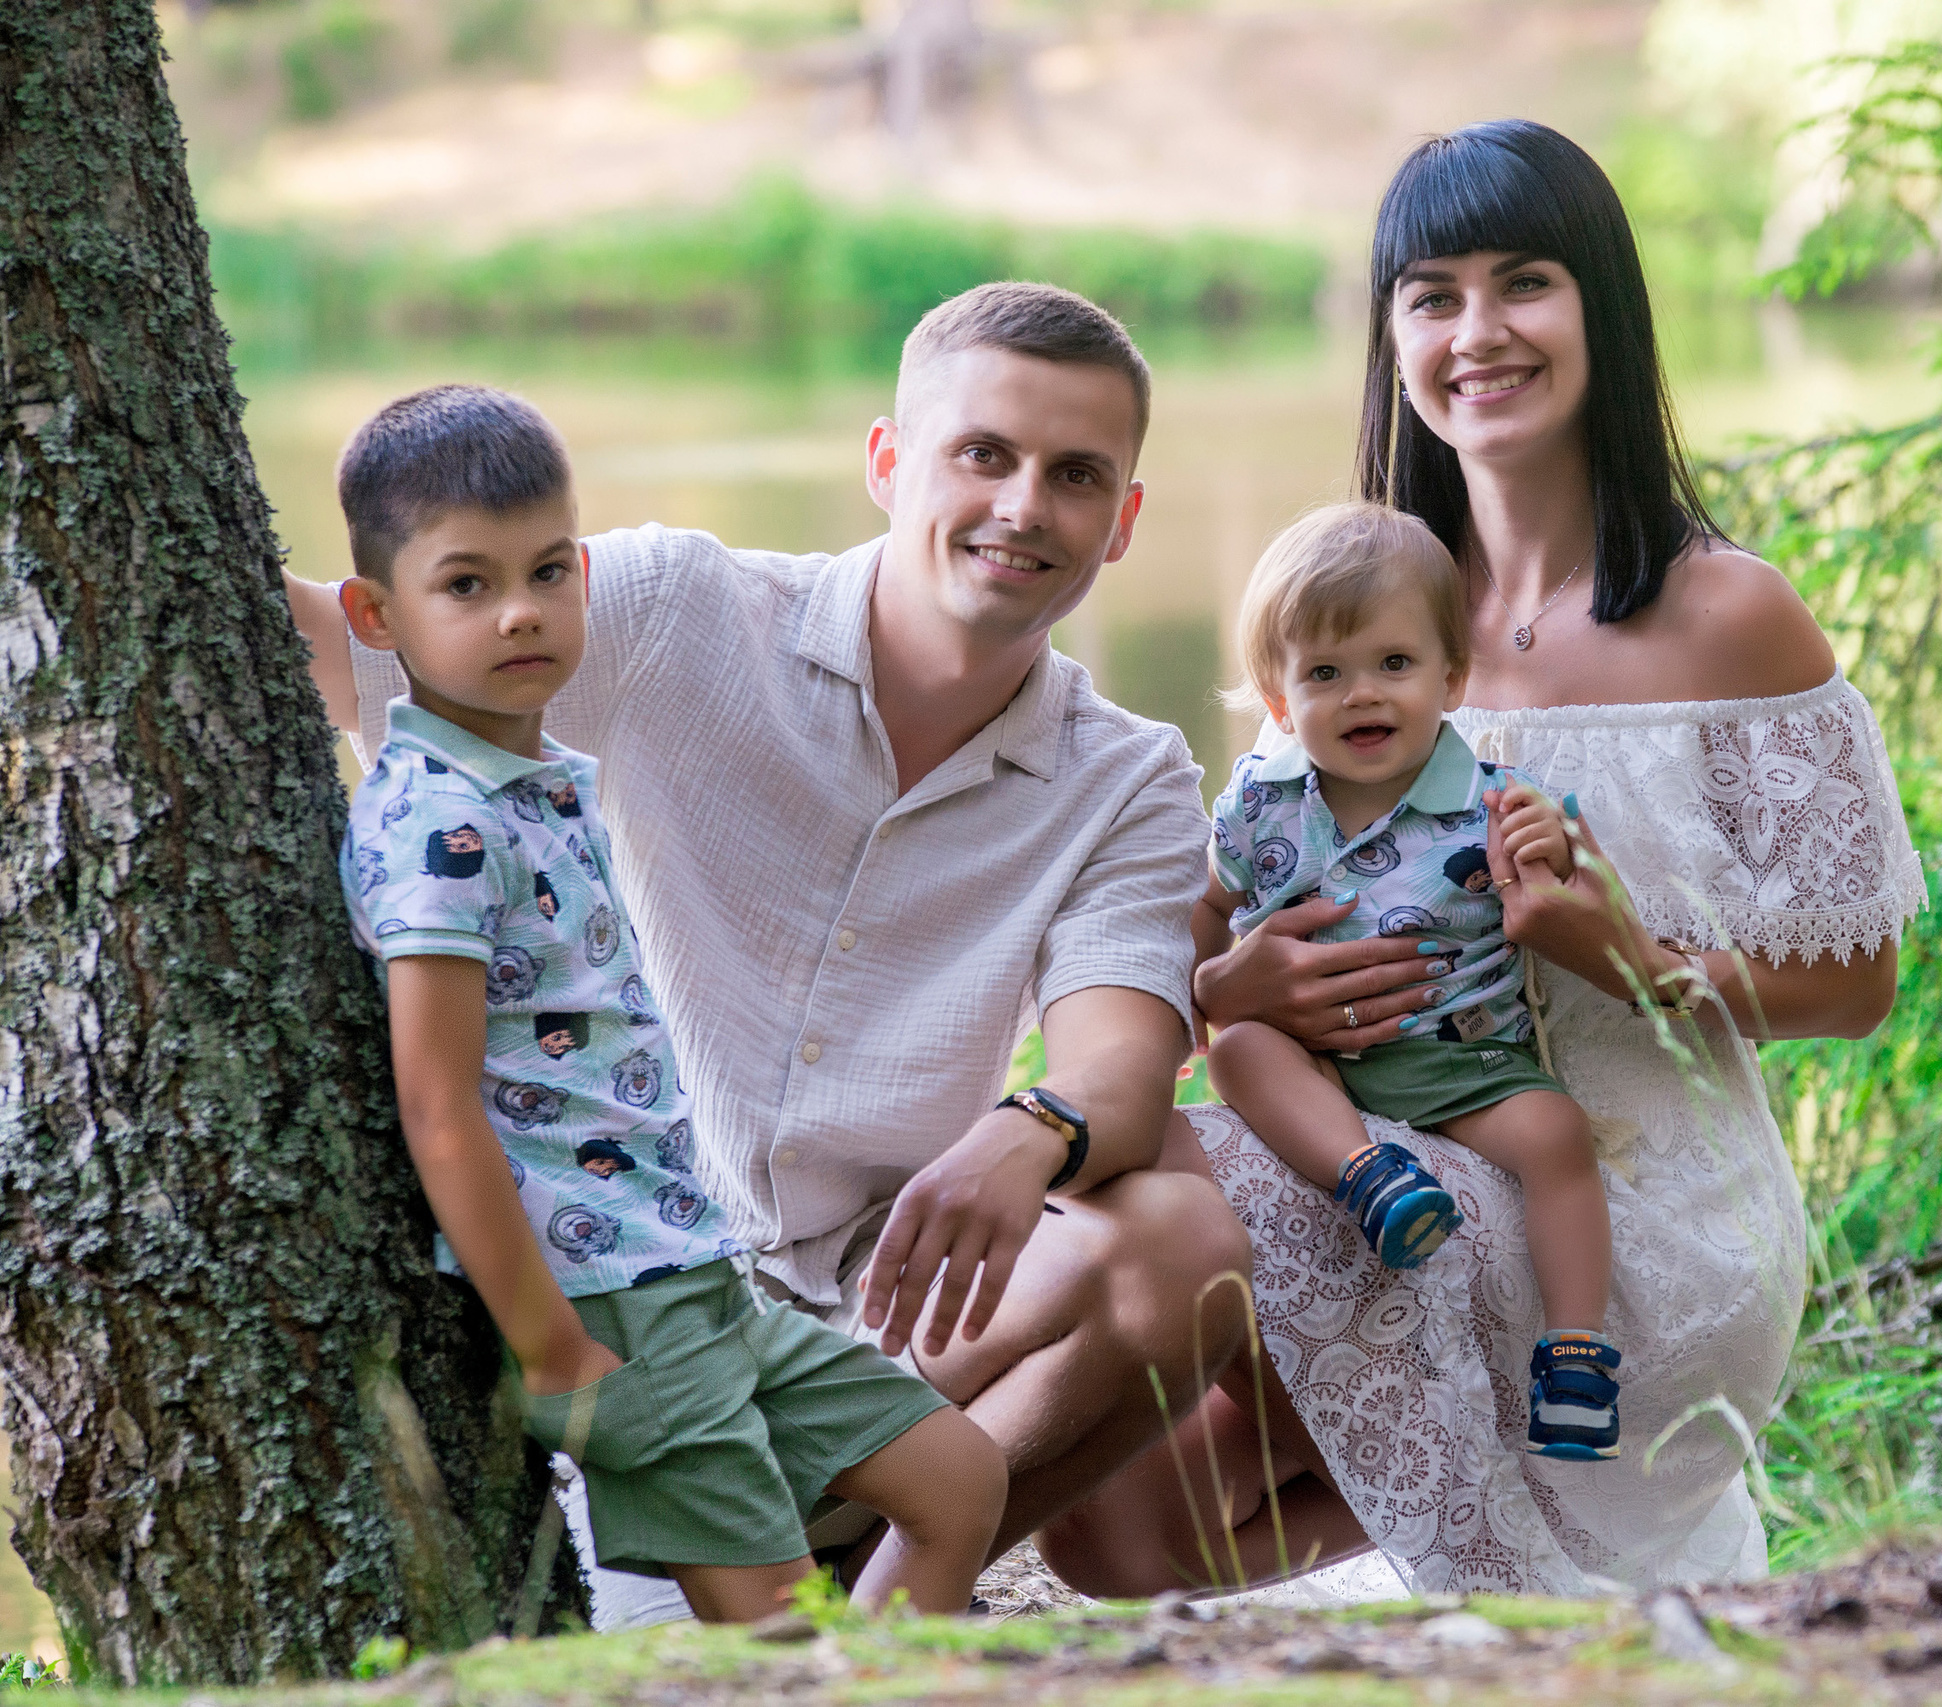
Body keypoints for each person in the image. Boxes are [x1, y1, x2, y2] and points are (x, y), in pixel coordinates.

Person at [1053, 119, 1927, 1597]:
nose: (1479, 331)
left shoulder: (1730, 617)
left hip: (1634, 1213)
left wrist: (1635, 963)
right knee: (1109, 1528)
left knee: (1153, 1215)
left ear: (1602, 303)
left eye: (1525, 281)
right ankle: (1526, 1556)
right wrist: (1234, 982)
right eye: (1433, 293)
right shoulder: (1354, 611)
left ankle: (848, 1535)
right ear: (1390, 332)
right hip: (1385, 1163)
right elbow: (1213, 919)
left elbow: (1857, 986)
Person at [286, 284, 1253, 1612]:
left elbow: (1124, 1071)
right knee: (686, 1637)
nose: (1026, 504)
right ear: (886, 464)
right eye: (984, 454)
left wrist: (1030, 1121)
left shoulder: (1129, 775)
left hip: (887, 1303)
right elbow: (342, 643)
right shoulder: (682, 607)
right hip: (626, 1280)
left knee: (1179, 1238)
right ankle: (780, 1550)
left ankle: (885, 1595)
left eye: (1075, 475)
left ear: (1122, 522)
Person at [330, 385, 1006, 1619]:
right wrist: (551, 1354)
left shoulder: (540, 779)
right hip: (607, 1301)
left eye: (546, 571)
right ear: (377, 615)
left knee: (958, 1478)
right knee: (773, 1633)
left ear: (585, 570)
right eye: (467, 585)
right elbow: (437, 1109)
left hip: (694, 1263)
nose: (522, 612)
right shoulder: (441, 823)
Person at [1194, 503, 1623, 1461]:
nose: (1361, 696)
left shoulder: (1496, 803)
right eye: (1324, 674)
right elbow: (1202, 915)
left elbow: (1578, 893)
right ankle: (1370, 1177)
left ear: (1452, 678)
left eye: (1394, 664)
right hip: (1319, 1061)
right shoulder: (1258, 806)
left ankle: (1578, 1349)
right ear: (1277, 699)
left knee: (1556, 1135)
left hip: (1465, 1064)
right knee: (1240, 1053)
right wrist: (1208, 981)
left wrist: (1556, 849)